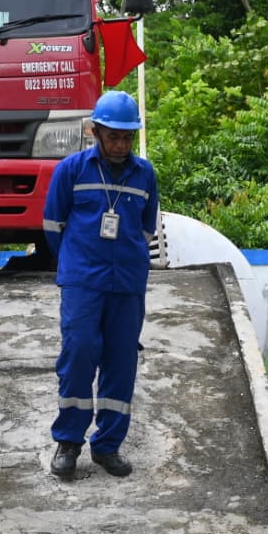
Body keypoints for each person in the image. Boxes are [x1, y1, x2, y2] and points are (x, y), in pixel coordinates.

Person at [43, 90, 159, 480]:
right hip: (83, 283)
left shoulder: (145, 175)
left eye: (128, 138)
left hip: (127, 284)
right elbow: (53, 227)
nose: (121, 144)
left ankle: (107, 445)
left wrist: (125, 261)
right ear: (96, 131)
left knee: (121, 363)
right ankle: (68, 443)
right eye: (114, 137)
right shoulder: (71, 171)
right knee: (78, 355)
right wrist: (78, 264)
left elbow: (145, 230)